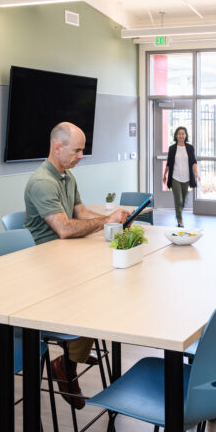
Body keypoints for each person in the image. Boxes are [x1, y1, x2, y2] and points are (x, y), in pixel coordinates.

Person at [24, 122, 131, 409]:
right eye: (78, 150)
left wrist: (111, 218)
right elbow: (64, 229)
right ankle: (68, 362)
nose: (82, 155)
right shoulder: (42, 182)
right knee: (93, 295)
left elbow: (80, 212)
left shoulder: (66, 177)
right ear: (57, 148)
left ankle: (76, 349)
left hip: (64, 255)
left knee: (105, 284)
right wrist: (104, 223)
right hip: (44, 264)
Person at [161, 126, 198, 228]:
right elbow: (169, 162)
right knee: (178, 200)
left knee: (183, 200)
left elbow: (194, 161)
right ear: (176, 136)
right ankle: (180, 220)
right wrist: (165, 174)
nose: (181, 135)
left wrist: (196, 172)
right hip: (175, 177)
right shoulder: (172, 148)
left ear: (185, 135)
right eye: (179, 134)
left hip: (186, 177)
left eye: (183, 133)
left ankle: (178, 213)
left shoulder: (190, 148)